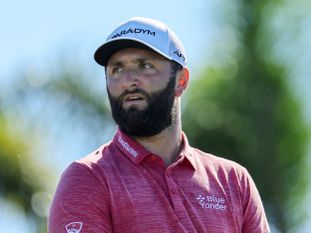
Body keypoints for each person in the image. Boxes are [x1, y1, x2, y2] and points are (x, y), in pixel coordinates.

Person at [48, 17, 270, 233]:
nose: (128, 80)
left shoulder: (233, 180)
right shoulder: (88, 179)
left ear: (181, 80)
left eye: (145, 66)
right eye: (116, 69)